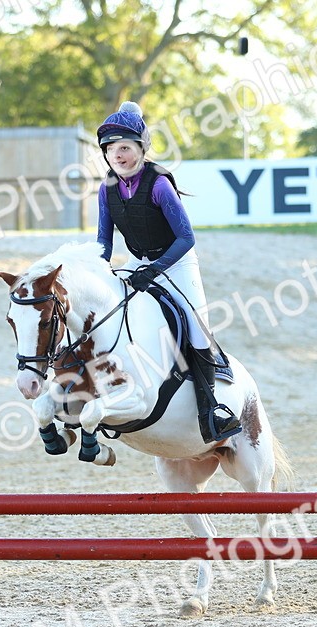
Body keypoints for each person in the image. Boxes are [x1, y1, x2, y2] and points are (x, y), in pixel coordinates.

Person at [95, 101, 242, 443]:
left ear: (141, 149)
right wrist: (100, 271)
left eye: (126, 148)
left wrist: (156, 269)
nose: (118, 155)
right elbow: (104, 241)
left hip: (177, 262)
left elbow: (187, 238)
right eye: (111, 149)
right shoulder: (107, 188)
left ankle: (211, 410)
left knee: (195, 327)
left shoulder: (158, 183)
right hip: (138, 262)